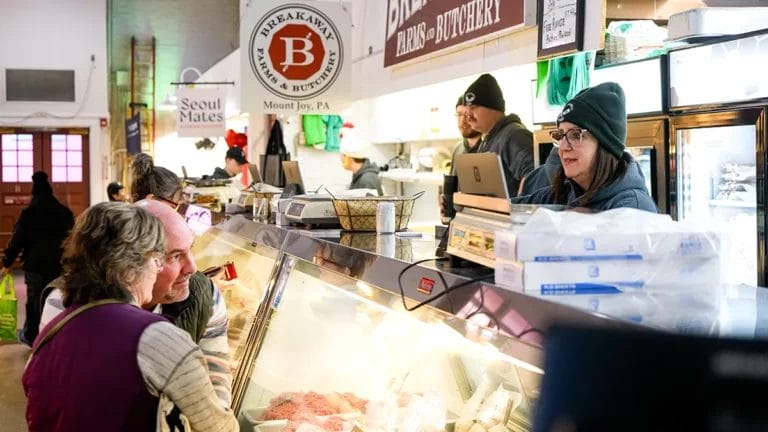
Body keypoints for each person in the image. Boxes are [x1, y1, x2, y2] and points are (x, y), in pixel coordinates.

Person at [24, 202, 238, 431]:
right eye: (165, 257)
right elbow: (218, 426)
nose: (192, 267)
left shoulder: (56, 327)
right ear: (128, 265)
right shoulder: (157, 336)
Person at [42, 158, 233, 406]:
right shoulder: (67, 300)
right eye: (174, 256)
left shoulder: (205, 296)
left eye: (190, 249)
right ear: (138, 260)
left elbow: (216, 379)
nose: (193, 268)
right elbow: (56, 390)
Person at [512, 82, 657, 212]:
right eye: (560, 135)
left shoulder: (633, 209)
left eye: (575, 135)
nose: (563, 146)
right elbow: (501, 211)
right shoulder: (562, 194)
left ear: (605, 144)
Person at [0, 171, 74, 346]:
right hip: (60, 264)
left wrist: (7, 262)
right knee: (59, 299)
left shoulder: (29, 213)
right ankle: (58, 334)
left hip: (35, 265)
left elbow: (18, 239)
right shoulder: (64, 212)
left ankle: (32, 337)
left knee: (34, 301)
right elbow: (73, 238)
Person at [463, 73, 534, 197]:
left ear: (494, 107)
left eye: (473, 107)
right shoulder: (488, 140)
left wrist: (519, 211)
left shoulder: (515, 135)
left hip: (512, 216)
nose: (467, 114)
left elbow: (534, 175)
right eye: (466, 108)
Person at [340, 131, 383, 195]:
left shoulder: (368, 179)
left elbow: (371, 204)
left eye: (343, 156)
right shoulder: (359, 175)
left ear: (349, 159)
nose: (341, 160)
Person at [450, 94, 482, 175]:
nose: (462, 121)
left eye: (467, 115)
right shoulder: (458, 148)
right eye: (459, 114)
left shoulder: (490, 148)